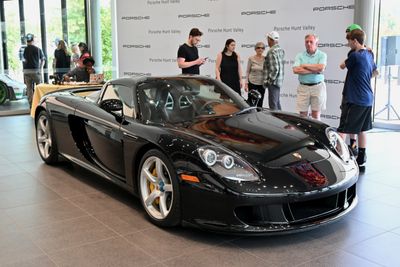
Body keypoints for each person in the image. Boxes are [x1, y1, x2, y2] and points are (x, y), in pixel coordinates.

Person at [338, 29, 377, 167]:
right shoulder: (369, 55)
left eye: (349, 41)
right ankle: (361, 158)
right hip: (367, 99)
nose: (348, 44)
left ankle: (338, 159)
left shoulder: (355, 56)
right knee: (361, 129)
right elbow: (375, 72)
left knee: (343, 129)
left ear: (355, 41)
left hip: (355, 99)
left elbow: (342, 66)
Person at [293, 34, 327, 120]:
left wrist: (304, 65)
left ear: (316, 43)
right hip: (303, 87)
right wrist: (314, 70)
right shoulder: (299, 55)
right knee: (302, 116)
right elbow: (296, 70)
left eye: (311, 42)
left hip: (318, 87)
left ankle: (316, 133)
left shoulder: (322, 55)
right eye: (307, 42)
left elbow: (321, 68)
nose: (308, 43)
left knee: (316, 115)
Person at [263, 31, 285, 110]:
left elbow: (275, 69)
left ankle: (277, 121)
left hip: (273, 82)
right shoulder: (280, 50)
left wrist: (269, 81)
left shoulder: (271, 51)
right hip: (278, 81)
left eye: (268, 39)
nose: (267, 41)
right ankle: (282, 121)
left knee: (273, 105)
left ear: (270, 39)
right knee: (277, 103)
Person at [23, 33, 46, 107]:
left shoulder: (25, 49)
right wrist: (40, 68)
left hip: (26, 71)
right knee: (39, 87)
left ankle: (31, 105)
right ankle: (40, 104)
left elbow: (24, 60)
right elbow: (43, 59)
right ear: (33, 40)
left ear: (27, 41)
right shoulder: (38, 49)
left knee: (29, 89)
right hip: (36, 71)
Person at [245, 42, 266, 107]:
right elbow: (247, 71)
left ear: (264, 49)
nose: (260, 49)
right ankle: (250, 115)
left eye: (262, 48)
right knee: (251, 101)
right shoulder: (251, 58)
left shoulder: (266, 59)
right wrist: (246, 83)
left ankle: (259, 115)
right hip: (252, 82)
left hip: (262, 83)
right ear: (255, 49)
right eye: (258, 47)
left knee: (260, 101)